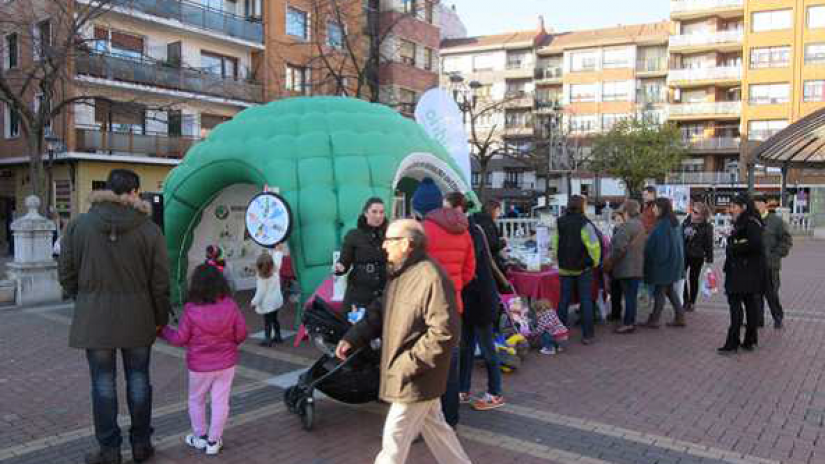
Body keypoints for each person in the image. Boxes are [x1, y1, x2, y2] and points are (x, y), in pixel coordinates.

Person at [335, 219, 472, 464]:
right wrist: (353, 337)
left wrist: (408, 365)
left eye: (390, 240)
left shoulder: (431, 277)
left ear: (407, 244)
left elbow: (444, 332)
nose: (384, 245)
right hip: (414, 373)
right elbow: (380, 310)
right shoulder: (400, 273)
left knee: (393, 440)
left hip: (416, 375)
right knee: (437, 430)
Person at [59, 169, 171, 464]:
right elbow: (161, 282)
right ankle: (141, 444)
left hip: (95, 319)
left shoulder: (79, 225)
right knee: (139, 380)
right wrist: (160, 318)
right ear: (134, 192)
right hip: (138, 318)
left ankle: (109, 449)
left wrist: (84, 297)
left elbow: (66, 272)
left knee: (102, 384)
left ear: (107, 189)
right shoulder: (149, 230)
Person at [160, 264, 247, 455]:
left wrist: (163, 331)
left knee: (196, 400)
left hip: (199, 366)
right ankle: (214, 442)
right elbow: (242, 334)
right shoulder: (230, 305)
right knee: (220, 402)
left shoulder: (191, 309)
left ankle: (199, 437)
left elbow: (180, 339)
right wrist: (228, 343)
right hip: (226, 363)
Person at [417, 188, 475, 428]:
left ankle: (425, 420)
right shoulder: (465, 231)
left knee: (425, 365)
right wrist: (456, 286)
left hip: (428, 306)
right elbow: (469, 270)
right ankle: (451, 419)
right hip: (453, 306)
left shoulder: (424, 231)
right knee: (451, 365)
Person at [458, 199, 504, 411]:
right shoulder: (467, 230)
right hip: (468, 299)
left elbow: (470, 262)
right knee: (465, 346)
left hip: (482, 299)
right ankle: (463, 388)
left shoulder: (473, 232)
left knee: (486, 348)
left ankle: (495, 392)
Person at [719, 194, 765, 354]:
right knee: (749, 304)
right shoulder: (748, 222)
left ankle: (733, 342)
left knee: (736, 306)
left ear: (743, 207)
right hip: (745, 271)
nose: (730, 210)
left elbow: (755, 244)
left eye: (733, 206)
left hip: (742, 272)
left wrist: (733, 247)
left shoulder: (750, 223)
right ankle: (750, 340)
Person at [553, 195, 601, 345]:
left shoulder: (559, 221)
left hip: (564, 268)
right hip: (583, 268)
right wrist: (594, 262)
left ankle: (559, 334)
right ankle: (588, 335)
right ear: (582, 206)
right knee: (585, 300)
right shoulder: (585, 223)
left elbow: (555, 243)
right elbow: (594, 246)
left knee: (563, 300)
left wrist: (558, 261)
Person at [335, 197, 388, 314]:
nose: (378, 216)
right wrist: (340, 267)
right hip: (360, 294)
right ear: (366, 213)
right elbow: (344, 261)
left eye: (381, 212)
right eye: (374, 212)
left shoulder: (390, 235)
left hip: (384, 293)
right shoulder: (354, 235)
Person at [642, 198, 686, 328]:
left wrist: (654, 261)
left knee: (660, 291)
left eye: (655, 207)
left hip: (663, 264)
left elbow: (662, 248)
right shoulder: (673, 222)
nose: (653, 210)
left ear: (661, 209)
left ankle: (654, 319)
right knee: (669, 290)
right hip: (673, 263)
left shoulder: (663, 225)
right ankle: (680, 316)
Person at [754, 195, 792, 329]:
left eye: (759, 204)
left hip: (770, 265)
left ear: (765, 205)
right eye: (754, 205)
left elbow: (786, 241)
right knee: (755, 295)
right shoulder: (751, 221)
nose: (756, 207)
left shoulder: (776, 221)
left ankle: (778, 318)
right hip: (755, 265)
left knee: (772, 294)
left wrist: (775, 255)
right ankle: (758, 320)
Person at [608, 200, 646, 334]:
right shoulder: (640, 225)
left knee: (629, 296)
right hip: (637, 266)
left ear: (626, 212)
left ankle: (628, 323)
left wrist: (611, 261)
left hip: (626, 267)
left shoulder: (626, 226)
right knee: (631, 297)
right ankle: (630, 321)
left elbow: (619, 248)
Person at [682, 202, 714, 312]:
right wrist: (685, 235)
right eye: (692, 210)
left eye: (695, 212)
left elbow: (709, 243)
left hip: (697, 256)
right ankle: (685, 300)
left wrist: (709, 259)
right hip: (685, 253)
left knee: (693, 278)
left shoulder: (707, 226)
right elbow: (680, 237)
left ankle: (692, 302)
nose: (692, 213)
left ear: (702, 215)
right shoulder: (686, 222)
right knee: (681, 277)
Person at [251, 248, 284, 346]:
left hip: (267, 305)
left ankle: (267, 339)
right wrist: (278, 251)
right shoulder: (276, 272)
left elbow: (260, 294)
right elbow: (278, 260)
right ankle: (278, 336)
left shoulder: (262, 279)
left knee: (267, 322)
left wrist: (253, 303)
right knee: (275, 320)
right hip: (276, 302)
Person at [607, 210, 626, 323]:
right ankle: (615, 312)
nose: (617, 222)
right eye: (615, 220)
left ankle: (618, 313)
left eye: (619, 220)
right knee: (615, 291)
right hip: (615, 265)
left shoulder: (624, 231)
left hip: (621, 265)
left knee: (619, 290)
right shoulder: (615, 230)